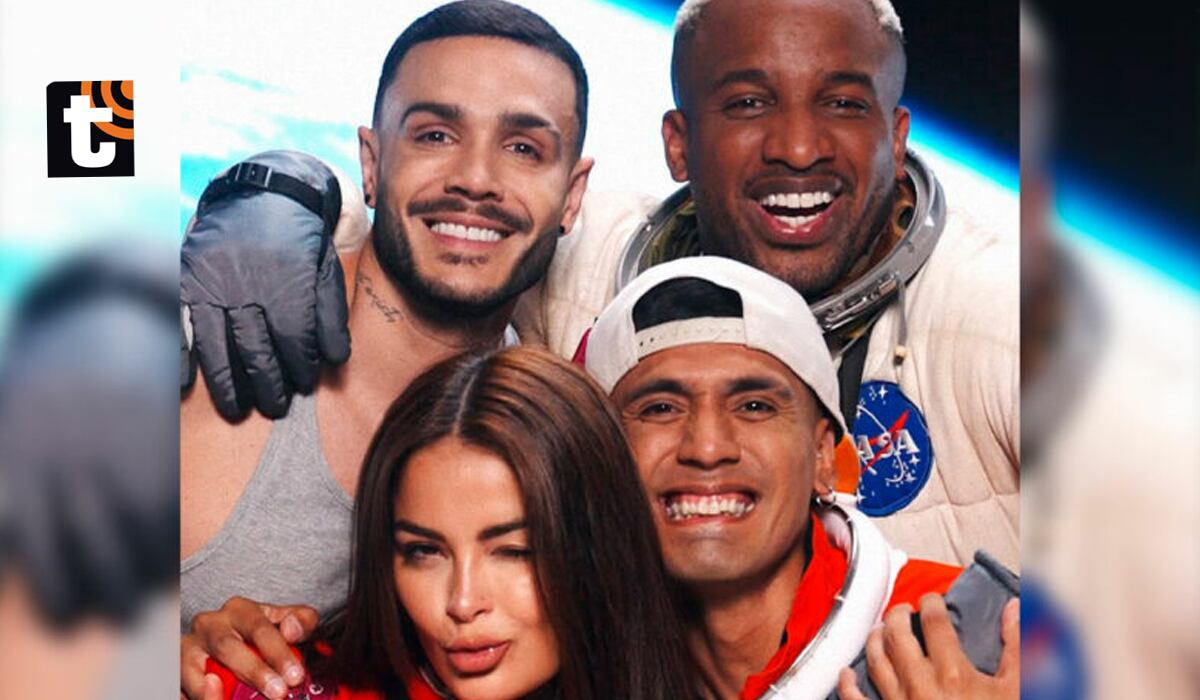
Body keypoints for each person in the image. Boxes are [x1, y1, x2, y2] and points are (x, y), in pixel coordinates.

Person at [181, 0, 1018, 570]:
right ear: (678, 146)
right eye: (746, 103)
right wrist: (276, 187)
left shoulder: (1000, 328)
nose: (798, 149)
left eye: (842, 104)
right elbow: (420, 224)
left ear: (897, 134)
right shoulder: (595, 268)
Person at [180, 2, 594, 697]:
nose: (477, 178)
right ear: (371, 165)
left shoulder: (551, 419)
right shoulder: (210, 335)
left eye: (524, 148)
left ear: (573, 195)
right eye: (436, 134)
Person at [582, 256, 1019, 699]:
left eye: (754, 406)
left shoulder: (985, 638)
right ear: (601, 460)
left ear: (823, 456)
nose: (707, 448)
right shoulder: (581, 667)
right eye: (660, 409)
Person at [203, 347, 695, 700]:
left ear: (602, 548)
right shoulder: (270, 686)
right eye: (425, 552)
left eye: (514, 551)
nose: (462, 603)